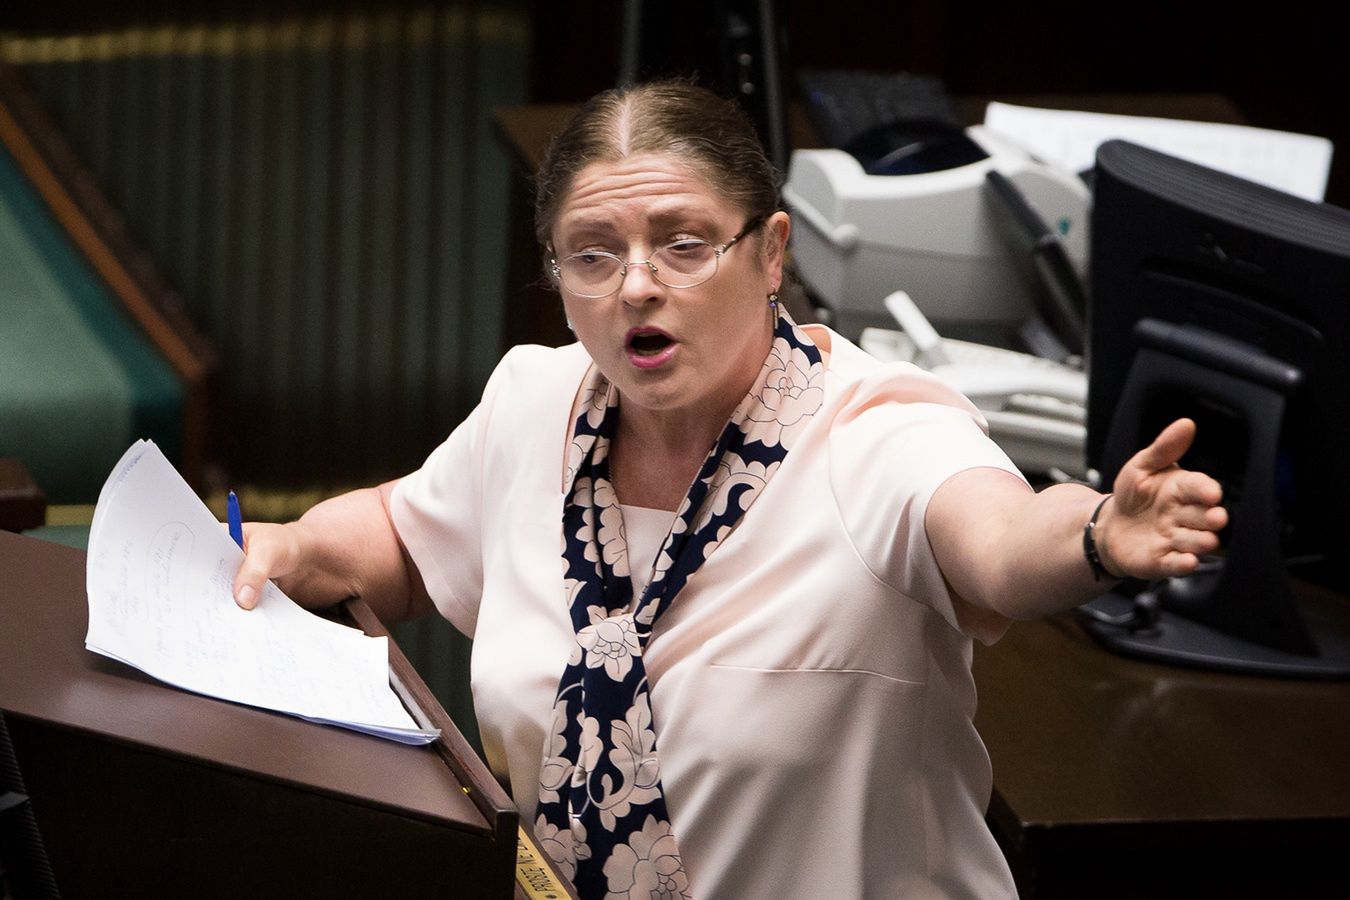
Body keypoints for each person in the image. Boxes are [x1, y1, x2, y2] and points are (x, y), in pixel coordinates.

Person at [233, 80, 1226, 900]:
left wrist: (1096, 535)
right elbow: (405, 537)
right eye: (594, 253)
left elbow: (1003, 544)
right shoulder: (534, 401)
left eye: (684, 243)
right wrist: (297, 546)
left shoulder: (874, 432)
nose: (635, 285)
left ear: (771, 252)